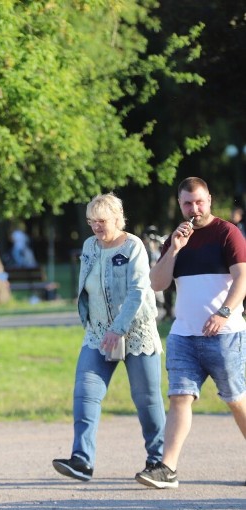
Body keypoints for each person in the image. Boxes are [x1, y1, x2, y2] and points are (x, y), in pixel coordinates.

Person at [135, 177, 246, 489]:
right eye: (187, 203)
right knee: (180, 398)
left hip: (225, 335)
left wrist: (223, 313)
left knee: (237, 400)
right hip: (184, 335)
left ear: (209, 199)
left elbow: (242, 279)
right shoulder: (178, 238)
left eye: (199, 201)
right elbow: (156, 284)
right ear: (180, 204)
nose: (194, 209)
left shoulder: (227, 233)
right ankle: (167, 469)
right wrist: (174, 249)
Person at [51, 194, 165, 482]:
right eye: (91, 222)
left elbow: (139, 291)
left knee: (147, 399)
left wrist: (120, 328)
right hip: (100, 333)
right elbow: (88, 286)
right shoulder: (90, 246)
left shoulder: (133, 246)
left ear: (117, 218)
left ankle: (158, 462)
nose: (96, 228)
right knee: (85, 394)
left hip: (136, 332)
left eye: (101, 221)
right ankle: (82, 460)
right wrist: (95, 323)